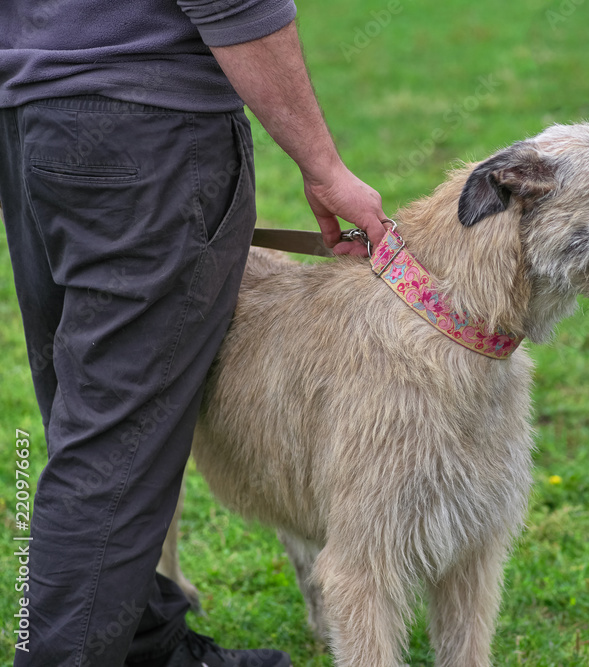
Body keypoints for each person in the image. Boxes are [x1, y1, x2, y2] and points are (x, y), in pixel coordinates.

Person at [0, 1, 389, 665]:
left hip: (35, 114)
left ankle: (143, 645)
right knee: (111, 443)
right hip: (144, 129)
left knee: (90, 421)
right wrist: (324, 165)